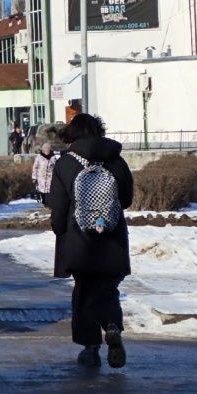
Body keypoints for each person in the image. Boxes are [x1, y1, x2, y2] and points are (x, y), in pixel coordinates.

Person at [49, 112, 133, 369]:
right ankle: (112, 326)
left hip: (80, 240)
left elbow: (59, 208)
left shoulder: (65, 163)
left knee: (84, 292)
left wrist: (60, 231)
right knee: (107, 290)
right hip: (112, 238)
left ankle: (91, 348)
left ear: (72, 135)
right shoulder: (116, 161)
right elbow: (126, 200)